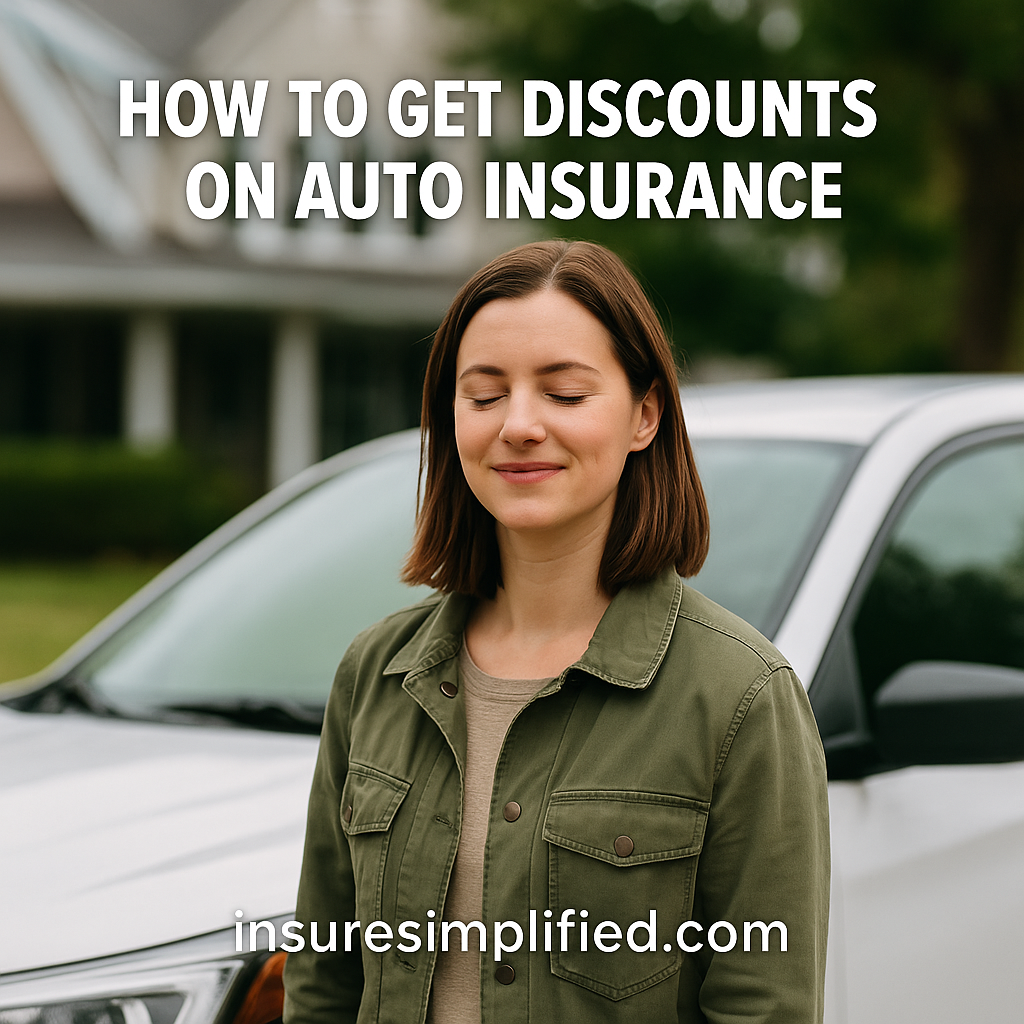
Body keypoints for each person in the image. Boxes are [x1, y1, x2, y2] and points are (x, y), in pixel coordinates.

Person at [283, 240, 829, 1024]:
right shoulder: (376, 673)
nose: (521, 426)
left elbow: (765, 1010)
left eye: (566, 394)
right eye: (484, 395)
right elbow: (322, 984)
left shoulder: (741, 698)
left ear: (645, 414)